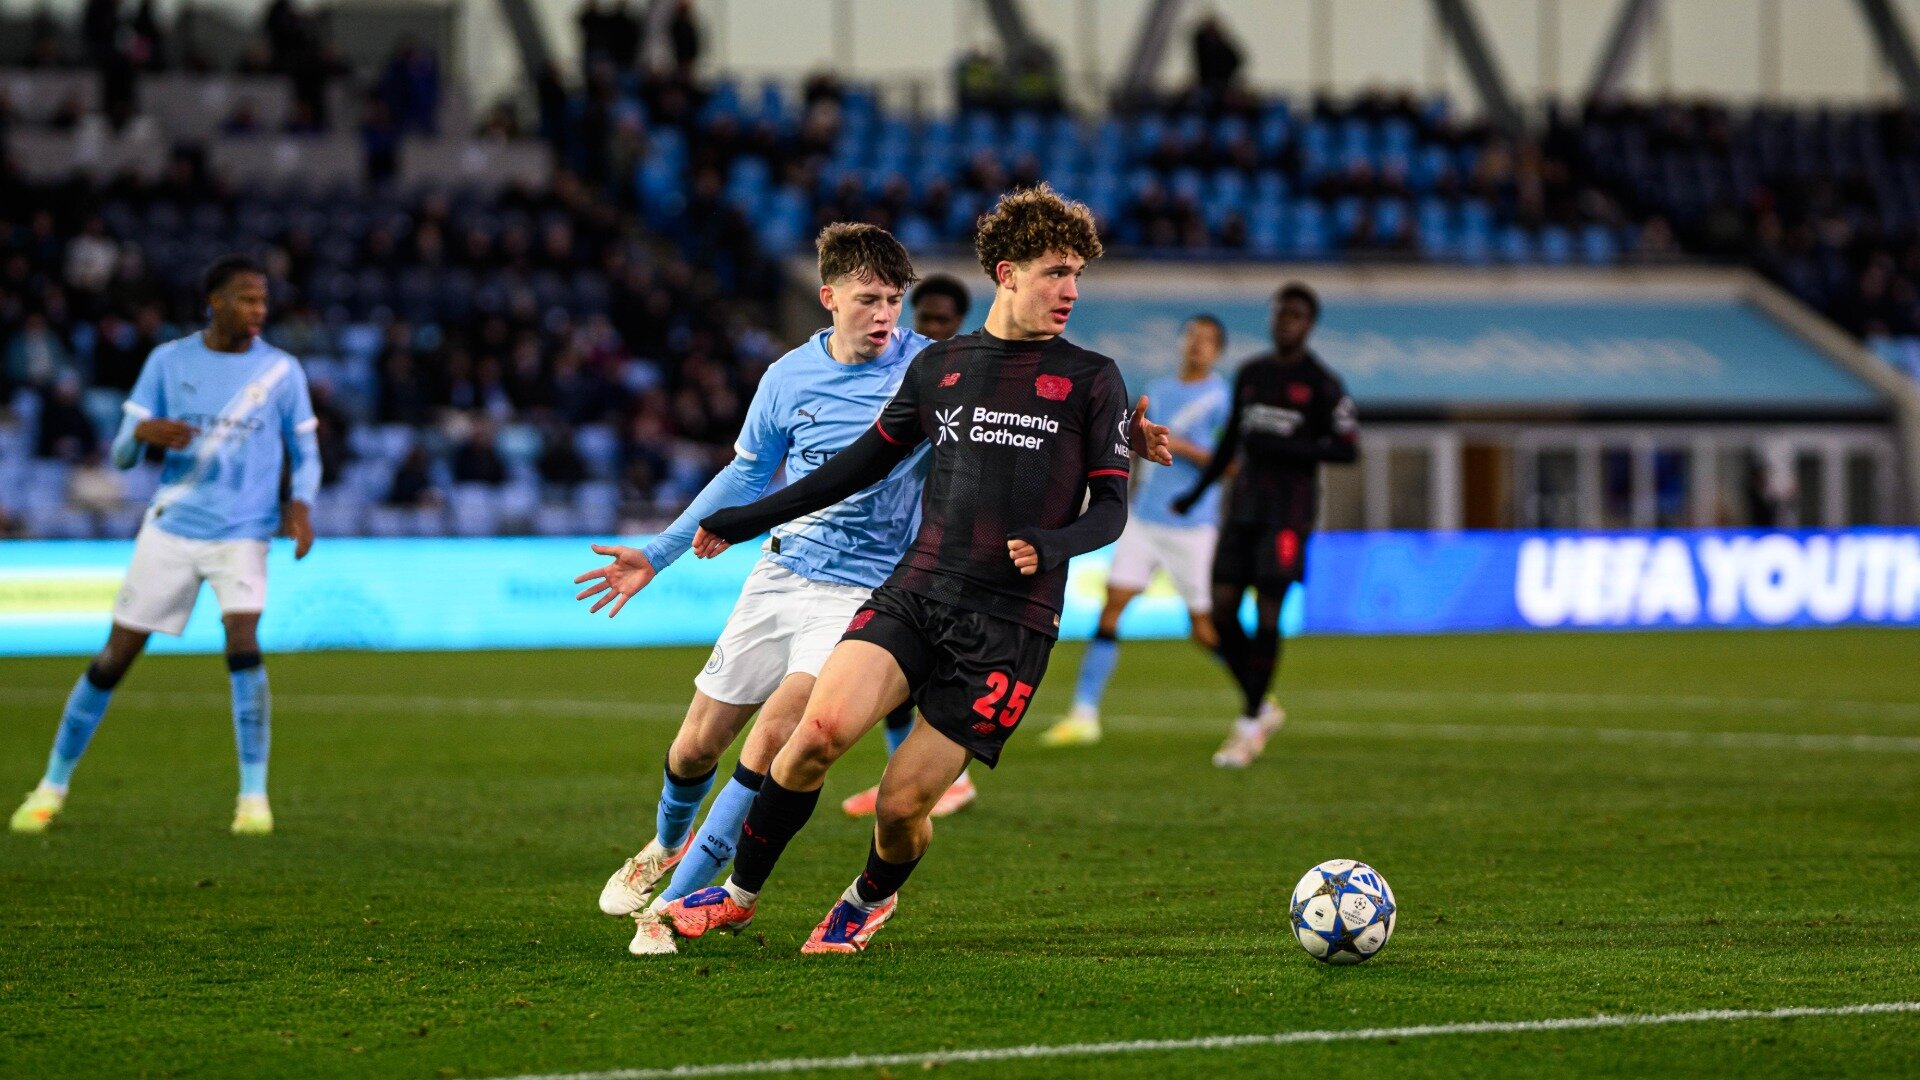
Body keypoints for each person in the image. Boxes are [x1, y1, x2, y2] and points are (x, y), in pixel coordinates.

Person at [658, 183, 1172, 953]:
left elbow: (1109, 510)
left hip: (1009, 622)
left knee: (901, 809)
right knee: (814, 734)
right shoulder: (944, 368)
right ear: (1006, 273)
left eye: (1077, 276)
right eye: (1053, 273)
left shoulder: (1094, 380)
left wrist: (1054, 543)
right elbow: (858, 466)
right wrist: (741, 519)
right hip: (917, 589)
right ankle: (736, 894)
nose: (1069, 291)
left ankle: (867, 899)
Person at [574, 223, 935, 956]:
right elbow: (744, 476)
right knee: (695, 746)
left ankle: (671, 908)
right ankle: (665, 849)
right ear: (828, 297)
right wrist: (659, 554)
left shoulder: (931, 370)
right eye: (868, 299)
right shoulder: (786, 377)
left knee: (783, 728)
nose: (884, 316)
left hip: (863, 590)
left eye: (895, 301)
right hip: (781, 573)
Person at [10, 256, 319, 836]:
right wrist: (142, 435)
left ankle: (253, 799)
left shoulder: (282, 371)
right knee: (115, 657)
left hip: (244, 531)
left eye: (263, 300)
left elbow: (307, 453)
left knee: (243, 640)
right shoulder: (169, 361)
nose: (259, 310)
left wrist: (300, 506)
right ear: (216, 301)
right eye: (247, 299)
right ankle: (51, 785)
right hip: (173, 528)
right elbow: (123, 452)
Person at [1170, 282, 1357, 767]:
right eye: (1279, 314)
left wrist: (1292, 447)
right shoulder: (1252, 374)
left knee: (1270, 613)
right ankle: (1258, 705)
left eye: (1294, 315)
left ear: (1309, 324)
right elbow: (1231, 440)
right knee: (1223, 611)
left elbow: (1346, 447)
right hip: (1245, 507)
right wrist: (1194, 493)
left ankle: (1251, 718)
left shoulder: (1322, 383)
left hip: (1289, 514)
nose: (1284, 322)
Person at [1039, 313, 1232, 747]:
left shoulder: (1222, 399)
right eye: (1192, 337)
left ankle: (1257, 699)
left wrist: (1183, 448)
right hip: (1144, 518)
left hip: (1192, 526)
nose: (1197, 345)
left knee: (1203, 629)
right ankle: (1084, 714)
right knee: (1112, 609)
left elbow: (1232, 465)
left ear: (1218, 351)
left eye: (1207, 340)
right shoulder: (1158, 391)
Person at [839, 271, 977, 819]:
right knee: (886, 664)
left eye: (945, 320)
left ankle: (940, 780)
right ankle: (907, 776)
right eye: (927, 319)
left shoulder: (973, 379)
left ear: (960, 323)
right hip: (893, 545)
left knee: (921, 668)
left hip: (946, 549)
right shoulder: (903, 377)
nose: (935, 328)